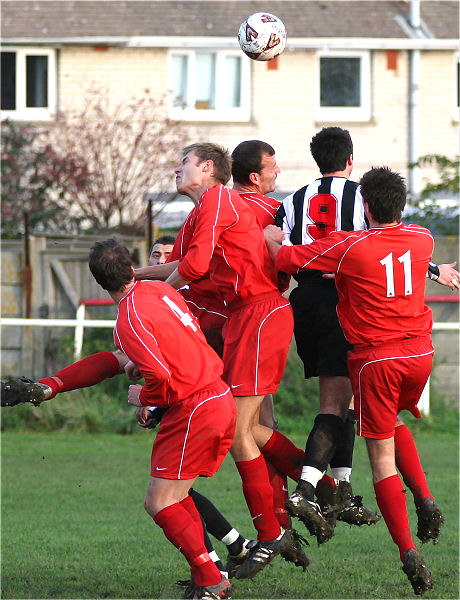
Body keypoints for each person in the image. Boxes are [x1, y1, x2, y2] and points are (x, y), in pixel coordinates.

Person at [264, 165, 446, 595]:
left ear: (364, 206)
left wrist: (275, 240)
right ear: (401, 204)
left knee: (380, 456)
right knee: (393, 423)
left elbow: (287, 259)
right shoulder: (423, 239)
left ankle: (407, 552)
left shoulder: (350, 246)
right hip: (420, 354)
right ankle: (425, 497)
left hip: (375, 360)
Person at [137, 142, 296, 579]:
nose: (175, 168)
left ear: (208, 168)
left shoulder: (219, 198)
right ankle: (311, 485)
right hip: (246, 318)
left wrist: (157, 300)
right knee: (246, 431)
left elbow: (195, 266)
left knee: (242, 433)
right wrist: (135, 279)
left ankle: (273, 529)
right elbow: (187, 265)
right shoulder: (203, 210)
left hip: (260, 314)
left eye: (183, 162)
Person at [88, 238, 237, 600]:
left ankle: (212, 578)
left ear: (100, 282)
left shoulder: (128, 319)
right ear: (131, 266)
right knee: (176, 492)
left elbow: (160, 378)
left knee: (159, 502)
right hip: (217, 392)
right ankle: (209, 574)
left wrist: (145, 396)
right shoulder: (158, 288)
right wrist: (138, 364)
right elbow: (177, 339)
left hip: (194, 406)